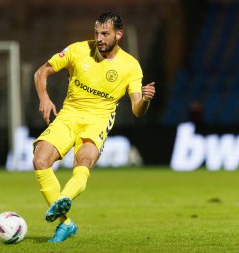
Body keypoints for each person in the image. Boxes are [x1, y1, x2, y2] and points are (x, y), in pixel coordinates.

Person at [32, 11, 156, 243]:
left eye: (105, 33)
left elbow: (137, 110)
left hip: (97, 121)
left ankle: (63, 200)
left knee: (84, 160)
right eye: (97, 33)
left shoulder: (131, 66)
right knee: (40, 160)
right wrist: (44, 98)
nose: (99, 38)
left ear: (118, 34)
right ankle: (65, 223)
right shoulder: (78, 50)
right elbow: (42, 72)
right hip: (68, 115)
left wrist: (146, 99)